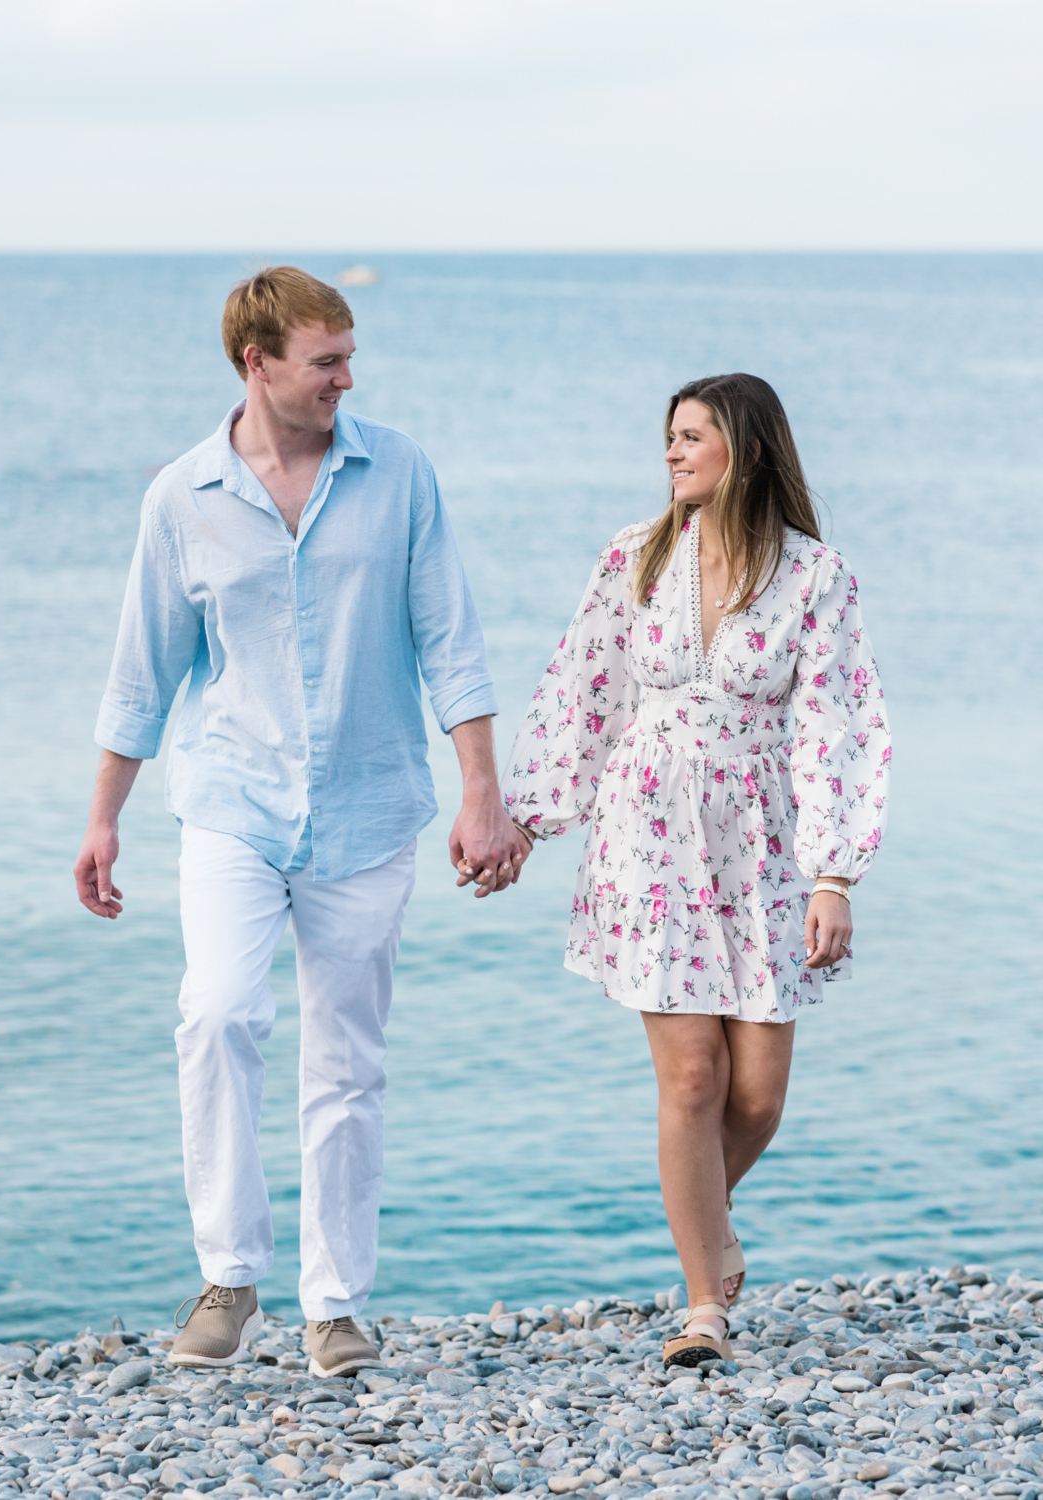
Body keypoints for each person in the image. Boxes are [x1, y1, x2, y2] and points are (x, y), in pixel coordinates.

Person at [74, 266, 524, 1374]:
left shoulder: (397, 470)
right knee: (218, 1014)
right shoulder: (183, 496)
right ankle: (229, 1278)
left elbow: (448, 637)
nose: (346, 379)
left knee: (346, 1059)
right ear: (256, 364)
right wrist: (103, 821)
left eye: (349, 356)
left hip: (370, 807)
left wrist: (481, 790)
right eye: (325, 362)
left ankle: (335, 1307)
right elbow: (144, 673)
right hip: (231, 802)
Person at [498, 373, 890, 1369]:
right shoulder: (635, 555)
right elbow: (586, 686)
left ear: (744, 450)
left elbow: (838, 719)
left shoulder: (815, 575)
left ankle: (709, 1229)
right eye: (669, 438)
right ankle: (704, 1302)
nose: (672, 453)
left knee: (755, 1096)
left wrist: (834, 873)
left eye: (691, 437)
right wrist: (528, 821)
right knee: (693, 1077)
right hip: (648, 832)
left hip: (763, 839)